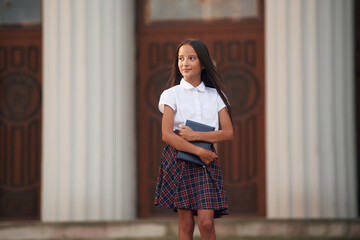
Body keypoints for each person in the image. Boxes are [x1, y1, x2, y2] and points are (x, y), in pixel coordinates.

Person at [154, 39, 234, 240]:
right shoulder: (170, 94)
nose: (185, 63)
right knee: (186, 223)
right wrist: (198, 151)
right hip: (180, 158)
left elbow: (227, 132)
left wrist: (197, 136)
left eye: (191, 58)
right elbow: (167, 134)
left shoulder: (217, 95)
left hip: (206, 159)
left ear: (204, 63)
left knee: (207, 223)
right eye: (181, 58)